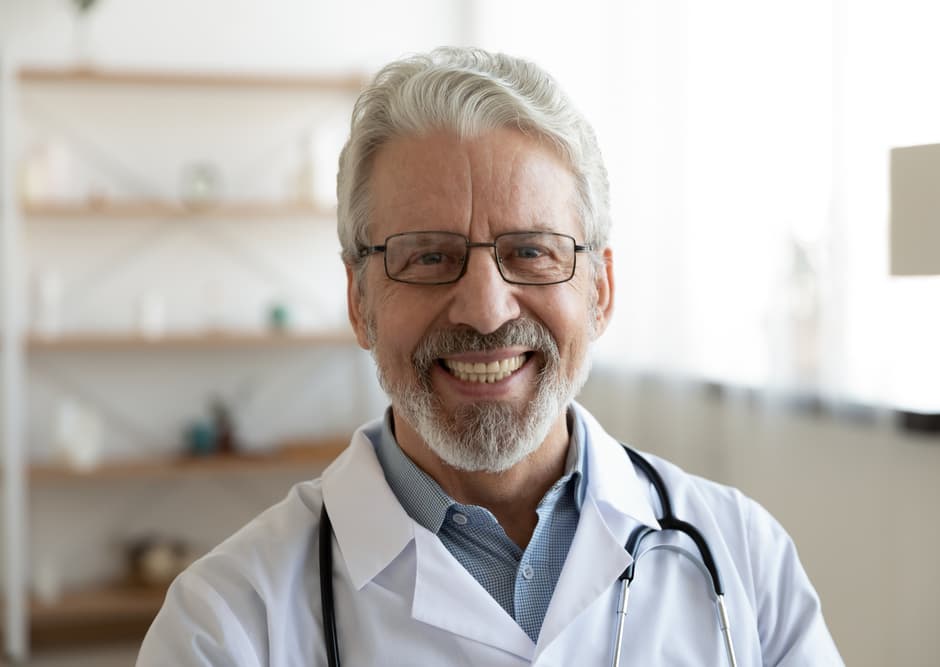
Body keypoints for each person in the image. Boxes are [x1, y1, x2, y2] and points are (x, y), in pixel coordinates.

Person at [137, 47, 842, 666]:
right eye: (430, 256)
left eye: (532, 251)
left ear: (601, 290)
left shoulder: (742, 560)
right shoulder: (223, 625)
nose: (484, 307)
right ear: (359, 299)